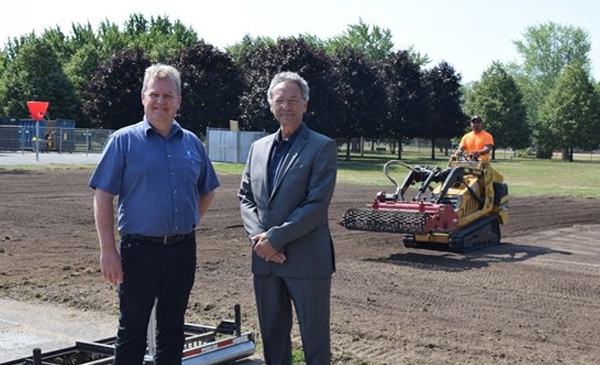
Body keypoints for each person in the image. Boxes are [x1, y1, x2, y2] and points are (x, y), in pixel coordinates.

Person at [88, 64, 220, 365]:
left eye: (168, 95)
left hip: (182, 250)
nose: (161, 101)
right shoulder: (123, 141)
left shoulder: (191, 143)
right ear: (143, 98)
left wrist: (188, 222)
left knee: (173, 329)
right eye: (154, 94)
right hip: (139, 252)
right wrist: (108, 251)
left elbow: (207, 189)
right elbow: (103, 196)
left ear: (178, 101)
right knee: (132, 330)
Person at [238, 71, 338, 365]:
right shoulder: (258, 148)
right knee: (273, 338)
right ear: (271, 105)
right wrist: (260, 239)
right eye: (280, 100)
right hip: (265, 262)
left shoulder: (322, 147)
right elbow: (245, 197)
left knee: (315, 342)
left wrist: (275, 238)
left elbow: (316, 204)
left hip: (307, 262)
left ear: (305, 104)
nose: (286, 106)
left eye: (293, 100)